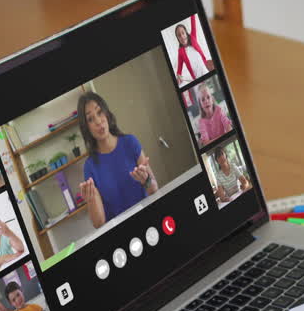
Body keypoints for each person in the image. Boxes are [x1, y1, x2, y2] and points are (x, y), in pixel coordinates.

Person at [77, 92, 158, 228]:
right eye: (90, 119)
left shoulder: (130, 143)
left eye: (99, 112)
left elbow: (154, 189)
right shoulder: (90, 167)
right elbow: (99, 223)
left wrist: (146, 180)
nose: (98, 121)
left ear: (107, 113)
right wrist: (91, 201)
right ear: (86, 128)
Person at [173, 19, 212, 85]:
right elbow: (179, 68)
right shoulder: (180, 51)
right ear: (178, 39)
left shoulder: (193, 37)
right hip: (197, 78)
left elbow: (193, 21)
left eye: (183, 33)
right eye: (179, 35)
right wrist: (178, 76)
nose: (182, 36)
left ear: (186, 33)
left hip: (205, 71)